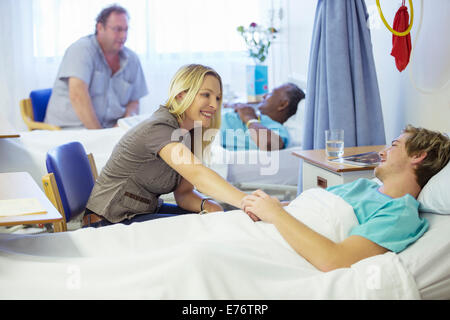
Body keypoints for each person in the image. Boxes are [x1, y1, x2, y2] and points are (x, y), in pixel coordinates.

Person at [241, 125, 450, 272]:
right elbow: (307, 209)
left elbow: (335, 259)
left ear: (418, 156)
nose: (382, 152)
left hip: (278, 248)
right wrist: (266, 207)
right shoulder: (363, 186)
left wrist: (276, 214)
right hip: (267, 229)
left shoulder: (400, 213)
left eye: (394, 146)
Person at [83, 64, 248, 228]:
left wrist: (209, 205)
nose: (214, 104)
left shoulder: (190, 134)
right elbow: (200, 176)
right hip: (109, 219)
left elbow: (184, 194)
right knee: (202, 228)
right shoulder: (160, 127)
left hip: (140, 212)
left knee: (222, 217)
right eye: (206, 95)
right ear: (181, 95)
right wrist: (247, 202)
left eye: (218, 98)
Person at [44, 5, 148, 129]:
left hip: (110, 130)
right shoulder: (81, 50)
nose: (123, 36)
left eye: (126, 29)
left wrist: (124, 125)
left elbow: (134, 102)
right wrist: (101, 135)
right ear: (100, 27)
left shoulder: (132, 59)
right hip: (70, 130)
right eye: (117, 29)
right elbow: (78, 95)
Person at [220, 83, 305, 151]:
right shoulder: (257, 114)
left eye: (271, 94)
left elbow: (269, 144)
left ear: (282, 104)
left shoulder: (277, 129)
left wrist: (249, 118)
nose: (264, 96)